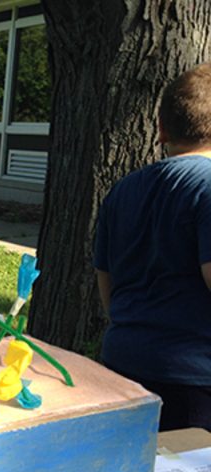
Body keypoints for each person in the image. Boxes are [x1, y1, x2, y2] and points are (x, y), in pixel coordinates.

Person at [93, 63, 211, 432]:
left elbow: (106, 281)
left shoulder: (123, 190)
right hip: (194, 382)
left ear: (160, 129)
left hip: (122, 364)